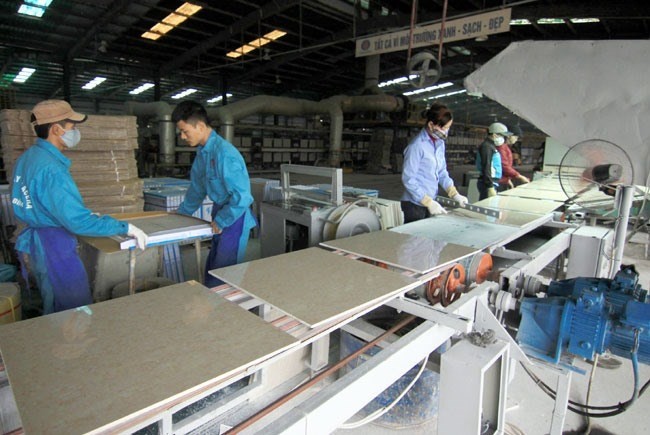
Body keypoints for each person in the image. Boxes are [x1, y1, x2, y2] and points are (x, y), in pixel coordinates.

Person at [11, 100, 148, 314]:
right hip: (54, 245)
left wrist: (73, 213)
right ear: (56, 129)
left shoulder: (28, 158)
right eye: (72, 127)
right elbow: (77, 222)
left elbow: (45, 203)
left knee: (52, 299)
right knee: (72, 308)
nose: (75, 132)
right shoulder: (52, 169)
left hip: (41, 242)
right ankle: (70, 347)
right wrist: (125, 228)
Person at [172, 101, 256, 287]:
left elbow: (242, 198)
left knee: (224, 275)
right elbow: (197, 189)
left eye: (185, 131)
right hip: (220, 212)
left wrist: (223, 219)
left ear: (200, 126)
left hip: (234, 216)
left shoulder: (225, 154)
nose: (182, 136)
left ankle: (225, 312)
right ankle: (214, 307)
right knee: (212, 269)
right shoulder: (203, 154)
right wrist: (180, 214)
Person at [400, 103, 468, 223]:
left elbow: (442, 172)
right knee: (414, 241)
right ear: (431, 125)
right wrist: (427, 202)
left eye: (448, 128)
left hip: (431, 201)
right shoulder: (416, 146)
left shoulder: (439, 143)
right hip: (414, 205)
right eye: (444, 128)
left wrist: (454, 193)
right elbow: (408, 179)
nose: (446, 132)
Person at [476, 122, 510, 200]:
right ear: (494, 135)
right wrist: (490, 187)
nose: (504, 139)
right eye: (503, 136)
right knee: (487, 207)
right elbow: (486, 166)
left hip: (492, 182)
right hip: (488, 183)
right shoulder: (487, 147)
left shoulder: (491, 146)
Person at [497, 125, 529, 191]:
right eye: (516, 137)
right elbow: (504, 166)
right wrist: (519, 176)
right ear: (509, 135)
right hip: (498, 182)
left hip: (502, 181)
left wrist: (508, 180)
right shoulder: (501, 147)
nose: (516, 139)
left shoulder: (505, 147)